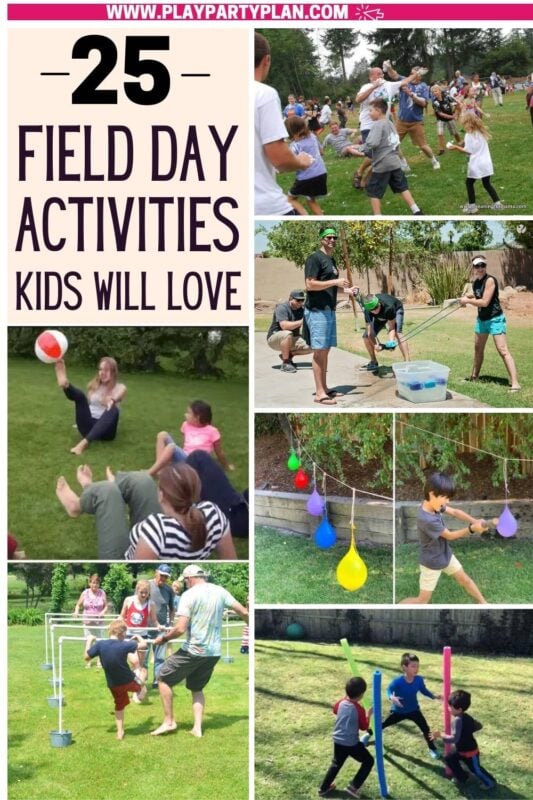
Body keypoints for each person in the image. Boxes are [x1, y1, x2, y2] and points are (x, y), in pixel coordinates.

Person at [56, 463, 237, 560]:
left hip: (125, 559)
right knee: (142, 480)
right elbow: (231, 560)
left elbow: (138, 570)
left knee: (107, 492)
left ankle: (81, 500)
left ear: (161, 496)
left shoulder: (156, 529)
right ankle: (94, 490)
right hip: (157, 536)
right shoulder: (214, 513)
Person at [150, 564, 249, 737]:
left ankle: (169, 722)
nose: (185, 584)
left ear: (189, 578)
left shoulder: (189, 595)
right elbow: (243, 612)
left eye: (185, 581)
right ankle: (197, 728)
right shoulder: (220, 590)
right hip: (213, 653)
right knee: (196, 687)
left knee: (163, 677)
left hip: (194, 651)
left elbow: (180, 628)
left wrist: (164, 639)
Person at [399, 471, 489, 605]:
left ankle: (484, 603)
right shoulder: (426, 519)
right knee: (422, 601)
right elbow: (449, 535)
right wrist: (472, 529)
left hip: (446, 555)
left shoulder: (433, 505)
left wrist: (474, 520)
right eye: (445, 497)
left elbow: (454, 512)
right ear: (431, 494)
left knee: (466, 580)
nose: (447, 502)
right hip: (432, 562)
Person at [254, 32, 313, 215]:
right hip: (262, 204)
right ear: (267, 60)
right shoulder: (263, 93)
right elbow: (279, 159)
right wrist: (301, 162)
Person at [459, 255, 520, 391]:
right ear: (473, 268)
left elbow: (485, 302)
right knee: (478, 349)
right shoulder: (476, 283)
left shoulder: (490, 280)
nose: (480, 268)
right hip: (482, 320)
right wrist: (469, 297)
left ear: (485, 266)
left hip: (495, 319)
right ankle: (474, 377)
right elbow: (479, 296)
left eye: (482, 265)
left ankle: (515, 384)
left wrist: (467, 301)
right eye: (477, 266)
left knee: (502, 350)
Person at [304, 227, 350, 406]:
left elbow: (329, 285)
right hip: (317, 310)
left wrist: (346, 290)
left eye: (334, 237)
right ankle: (319, 393)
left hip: (329, 309)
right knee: (319, 351)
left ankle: (324, 387)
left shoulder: (331, 259)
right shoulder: (314, 258)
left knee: (326, 350)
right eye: (328, 237)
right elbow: (310, 284)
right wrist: (336, 281)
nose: (332, 240)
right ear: (321, 239)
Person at [353, 99, 423, 215]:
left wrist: (358, 148)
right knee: (402, 187)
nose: (369, 113)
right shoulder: (390, 123)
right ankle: (416, 210)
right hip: (395, 162)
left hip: (382, 165)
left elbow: (372, 144)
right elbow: (395, 141)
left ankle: (377, 216)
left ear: (379, 111)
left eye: (371, 110)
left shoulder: (377, 125)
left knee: (373, 191)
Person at [353, 64, 417, 189]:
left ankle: (366, 181)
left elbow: (405, 81)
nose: (382, 76)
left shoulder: (389, 85)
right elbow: (358, 99)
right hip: (368, 125)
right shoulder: (366, 86)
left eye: (382, 74)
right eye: (379, 74)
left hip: (384, 124)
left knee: (383, 154)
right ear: (372, 76)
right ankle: (359, 172)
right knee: (372, 155)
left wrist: (416, 73)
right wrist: (373, 87)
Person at [85, 619, 147, 740]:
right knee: (143, 672)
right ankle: (139, 693)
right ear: (122, 634)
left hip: (114, 684)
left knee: (119, 706)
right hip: (128, 682)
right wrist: (139, 637)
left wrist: (89, 641)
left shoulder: (100, 645)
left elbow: (86, 657)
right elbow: (144, 645)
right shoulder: (125, 644)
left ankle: (119, 732)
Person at [54, 357, 127, 456]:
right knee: (81, 397)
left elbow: (118, 395)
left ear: (113, 372)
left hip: (107, 431)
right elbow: (86, 406)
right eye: (100, 369)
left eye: (106, 370)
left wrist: (112, 400)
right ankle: (65, 384)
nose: (102, 373)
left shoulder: (120, 387)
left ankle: (83, 444)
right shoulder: (94, 386)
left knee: (113, 409)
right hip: (88, 427)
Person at [318, 676, 374, 798]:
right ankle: (353, 787)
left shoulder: (341, 702)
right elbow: (364, 726)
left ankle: (323, 789)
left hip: (337, 740)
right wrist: (368, 715)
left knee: (336, 764)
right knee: (369, 761)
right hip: (351, 744)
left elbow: (335, 710)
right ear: (361, 695)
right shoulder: (359, 708)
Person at [381, 652, 443, 759]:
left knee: (426, 729)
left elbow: (423, 690)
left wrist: (433, 696)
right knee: (383, 724)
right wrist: (391, 697)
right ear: (404, 667)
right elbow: (389, 690)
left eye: (417, 666)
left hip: (414, 710)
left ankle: (432, 748)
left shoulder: (419, 680)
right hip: (398, 712)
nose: (416, 669)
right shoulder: (398, 682)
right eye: (413, 666)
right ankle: (368, 734)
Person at [148, 399, 233, 476]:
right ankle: (160, 469)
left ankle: (149, 473)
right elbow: (186, 443)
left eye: (189, 413)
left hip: (196, 463)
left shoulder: (212, 431)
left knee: (171, 447)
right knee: (162, 434)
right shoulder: (186, 425)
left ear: (197, 418)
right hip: (184, 457)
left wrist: (226, 466)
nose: (185, 415)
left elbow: (219, 452)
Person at [432, 690, 496, 789]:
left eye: (450, 707)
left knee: (476, 770)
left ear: (459, 709)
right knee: (449, 758)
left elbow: (454, 739)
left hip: (470, 752)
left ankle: (490, 782)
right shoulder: (466, 716)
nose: (449, 709)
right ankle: (463, 777)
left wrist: (441, 735)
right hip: (461, 749)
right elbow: (479, 725)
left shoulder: (458, 721)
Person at [385, 65, 440, 170]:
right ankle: (404, 164)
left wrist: (411, 94)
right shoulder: (405, 81)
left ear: (420, 76)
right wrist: (388, 67)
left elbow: (424, 103)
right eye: (411, 73)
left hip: (416, 122)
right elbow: (393, 75)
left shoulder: (423, 86)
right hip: (401, 122)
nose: (412, 76)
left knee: (423, 145)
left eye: (415, 74)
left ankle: (434, 160)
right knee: (393, 144)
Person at [447, 114, 502, 213]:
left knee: (469, 183)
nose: (464, 126)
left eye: (464, 124)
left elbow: (469, 151)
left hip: (477, 164)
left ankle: (472, 206)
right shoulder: (481, 132)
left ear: (470, 124)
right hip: (486, 163)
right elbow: (476, 145)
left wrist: (456, 147)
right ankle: (497, 203)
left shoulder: (469, 135)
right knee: (486, 183)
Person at [120, 578, 160, 690]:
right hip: (129, 635)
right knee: (134, 662)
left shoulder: (151, 604)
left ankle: (136, 687)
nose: (143, 595)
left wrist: (159, 626)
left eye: (146, 593)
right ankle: (134, 684)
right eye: (141, 592)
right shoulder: (128, 600)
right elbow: (122, 616)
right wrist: (118, 624)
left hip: (143, 637)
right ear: (137, 590)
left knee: (139, 665)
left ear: (149, 593)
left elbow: (154, 620)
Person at [285, 116, 328, 215]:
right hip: (321, 173)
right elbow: (321, 152)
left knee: (290, 199)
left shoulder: (295, 145)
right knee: (310, 200)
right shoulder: (313, 136)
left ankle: (305, 216)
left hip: (306, 177)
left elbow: (291, 162)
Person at [355, 291, 410, 370]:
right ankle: (373, 362)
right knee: (365, 336)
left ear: (379, 303)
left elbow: (391, 327)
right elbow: (370, 332)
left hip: (396, 309)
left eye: (376, 307)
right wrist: (375, 345)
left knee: (398, 333)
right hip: (381, 316)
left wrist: (391, 342)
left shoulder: (389, 307)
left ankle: (407, 363)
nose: (375, 311)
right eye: (372, 310)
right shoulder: (367, 310)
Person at [266, 289, 312, 373]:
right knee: (287, 333)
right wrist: (301, 321)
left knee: (314, 345)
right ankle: (285, 363)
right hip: (274, 339)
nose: (300, 302)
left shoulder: (302, 310)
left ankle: (288, 355)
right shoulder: (282, 308)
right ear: (291, 298)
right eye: (298, 300)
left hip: (291, 339)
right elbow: (284, 326)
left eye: (302, 300)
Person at [145, 565, 175, 687]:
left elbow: (172, 609)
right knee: (144, 656)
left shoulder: (169, 590)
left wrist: (171, 624)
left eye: (166, 577)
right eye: (161, 575)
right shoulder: (146, 585)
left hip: (161, 628)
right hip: (145, 627)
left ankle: (157, 680)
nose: (163, 578)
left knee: (160, 657)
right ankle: (142, 680)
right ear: (156, 573)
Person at [74, 573, 109, 668]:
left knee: (99, 641)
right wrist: (76, 611)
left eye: (97, 583)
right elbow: (78, 605)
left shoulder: (102, 593)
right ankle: (88, 661)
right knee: (87, 641)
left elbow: (106, 606)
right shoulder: (85, 593)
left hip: (98, 622)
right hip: (87, 622)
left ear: (99, 584)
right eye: (93, 583)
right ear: (90, 583)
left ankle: (99, 661)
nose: (95, 585)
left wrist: (103, 612)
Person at [430, 84, 461, 154]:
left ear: (440, 91)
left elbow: (457, 104)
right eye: (433, 92)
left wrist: (456, 113)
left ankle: (460, 142)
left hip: (450, 118)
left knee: (455, 133)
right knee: (440, 133)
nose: (434, 93)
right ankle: (442, 149)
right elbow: (441, 114)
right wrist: (453, 117)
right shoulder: (435, 102)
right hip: (440, 119)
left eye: (436, 91)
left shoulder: (447, 97)